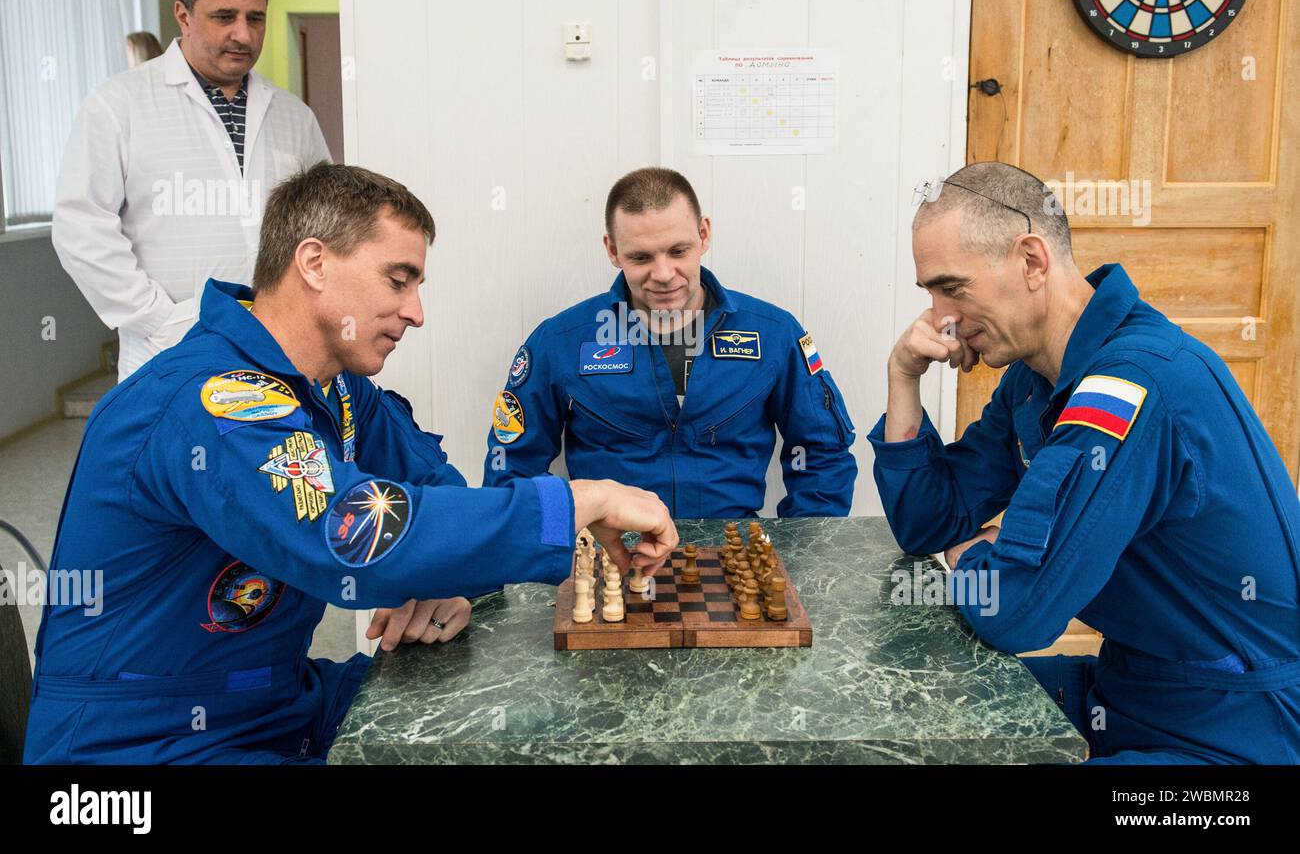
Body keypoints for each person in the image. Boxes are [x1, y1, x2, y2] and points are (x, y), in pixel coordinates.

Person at [24, 163, 677, 764]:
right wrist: (578, 501)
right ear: (313, 262)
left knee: (521, 728)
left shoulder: (333, 385)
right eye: (398, 280)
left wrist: (439, 576)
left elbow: (432, 491)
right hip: (142, 740)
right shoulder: (214, 402)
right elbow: (351, 534)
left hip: (277, 700)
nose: (416, 312)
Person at [870, 161, 1300, 764]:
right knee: (898, 725)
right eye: (932, 294)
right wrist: (903, 379)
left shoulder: (1131, 386)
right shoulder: (1032, 379)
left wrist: (972, 553)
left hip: (1233, 731)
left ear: (1031, 261)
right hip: (1130, 692)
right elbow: (929, 524)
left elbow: (1017, 611)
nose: (942, 317)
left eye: (954, 288)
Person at [481, 166, 857, 519]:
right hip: (609, 558)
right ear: (612, 251)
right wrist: (553, 550)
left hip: (733, 559)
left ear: (704, 234)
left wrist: (799, 552)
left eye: (678, 251)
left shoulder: (774, 334)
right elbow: (512, 464)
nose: (663, 274)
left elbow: (822, 452)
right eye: (641, 257)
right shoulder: (560, 342)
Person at [53, 0, 331, 381]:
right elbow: (80, 227)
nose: (243, 34)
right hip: (167, 353)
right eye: (225, 17)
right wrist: (160, 320)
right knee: (177, 448)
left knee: (272, 450)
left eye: (255, 18)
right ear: (183, 15)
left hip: (279, 351)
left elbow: (323, 225)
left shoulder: (293, 115)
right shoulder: (119, 104)